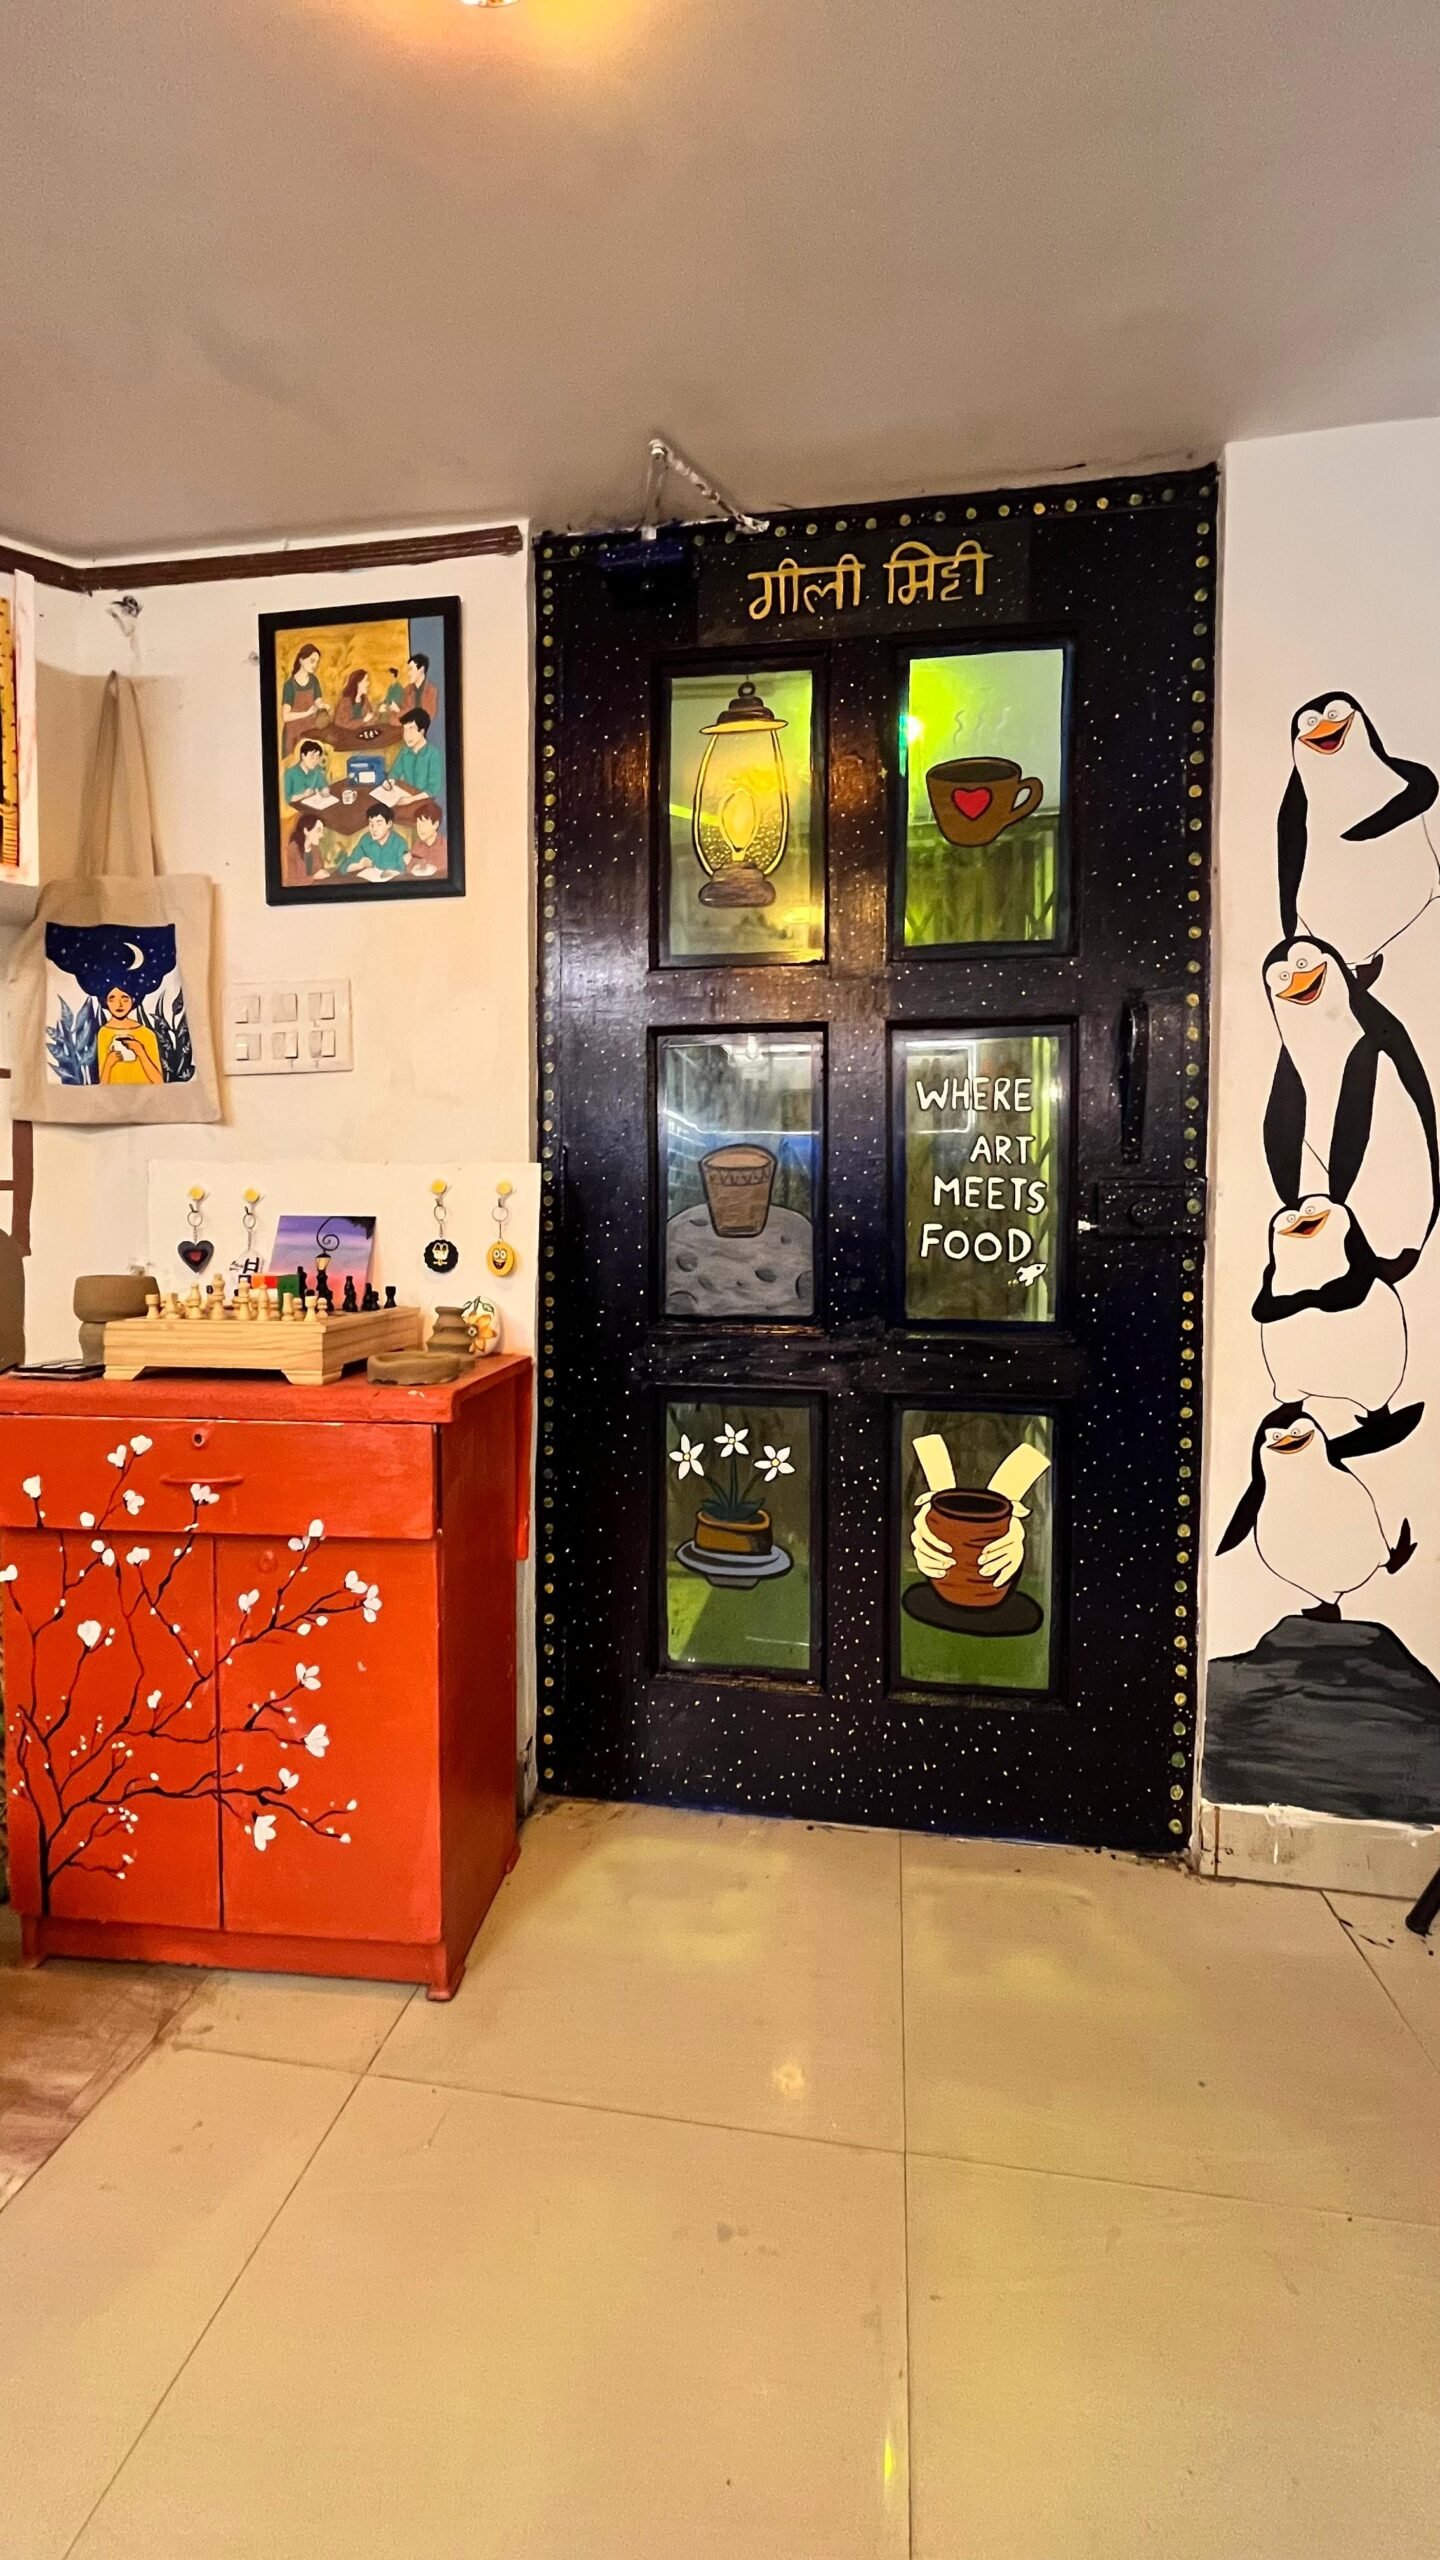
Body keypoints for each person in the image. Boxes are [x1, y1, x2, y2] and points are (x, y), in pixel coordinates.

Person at [97, 986, 164, 1085]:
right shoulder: (103, 1033)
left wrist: (141, 1052)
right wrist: (109, 1063)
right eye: (112, 999)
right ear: (106, 1001)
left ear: (133, 1000)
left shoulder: (147, 1034)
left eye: (125, 999)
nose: (119, 1004)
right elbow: (102, 1083)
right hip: (114, 1092)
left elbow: (159, 1081)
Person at [388, 707, 444, 801]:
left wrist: (411, 799)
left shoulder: (433, 754)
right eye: (405, 730)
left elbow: (433, 789)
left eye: (411, 729)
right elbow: (394, 773)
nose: (406, 735)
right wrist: (390, 782)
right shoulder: (404, 751)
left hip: (425, 801)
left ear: (422, 731)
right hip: (406, 796)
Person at [339, 804, 409, 878]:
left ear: (389, 824)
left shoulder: (400, 843)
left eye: (379, 824)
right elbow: (344, 867)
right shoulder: (366, 840)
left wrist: (390, 873)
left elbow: (402, 871)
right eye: (371, 824)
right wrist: (360, 865)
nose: (374, 829)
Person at [281, 643, 328, 729]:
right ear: (301, 660)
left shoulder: (314, 681)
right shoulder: (289, 685)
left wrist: (323, 706)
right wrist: (307, 713)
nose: (315, 665)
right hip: (293, 730)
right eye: (312, 661)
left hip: (310, 728)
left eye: (317, 662)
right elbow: (285, 716)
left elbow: (318, 703)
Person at [287, 808, 333, 882]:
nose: (322, 835)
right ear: (306, 831)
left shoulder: (315, 848)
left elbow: (321, 869)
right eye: (318, 830)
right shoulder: (292, 850)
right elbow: (290, 882)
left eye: (322, 831)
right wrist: (313, 877)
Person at [283, 737, 330, 803]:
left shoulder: (318, 770)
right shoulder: (290, 773)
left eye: (317, 757)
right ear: (303, 756)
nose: (315, 761)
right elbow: (287, 798)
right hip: (296, 807)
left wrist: (324, 791)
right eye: (312, 757)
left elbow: (324, 786)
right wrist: (304, 795)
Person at [409, 799, 447, 877]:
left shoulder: (445, 846)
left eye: (423, 824)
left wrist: (420, 862)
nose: (419, 828)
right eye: (418, 824)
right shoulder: (417, 845)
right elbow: (410, 869)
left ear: (435, 824)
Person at [401, 652, 439, 723]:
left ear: (421, 670)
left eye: (411, 669)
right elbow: (394, 717)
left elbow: (429, 715)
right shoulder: (406, 690)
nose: (408, 673)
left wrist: (406, 713)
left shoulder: (431, 690)